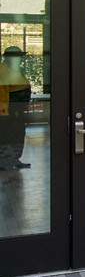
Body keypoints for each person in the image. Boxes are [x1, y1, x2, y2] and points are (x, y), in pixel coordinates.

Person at [0, 48, 31, 181]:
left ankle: (15, 159)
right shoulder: (3, 70)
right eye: (18, 57)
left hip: (19, 110)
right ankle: (5, 162)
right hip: (10, 111)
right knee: (8, 136)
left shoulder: (16, 70)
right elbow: (2, 93)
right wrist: (5, 112)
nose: (21, 59)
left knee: (18, 134)